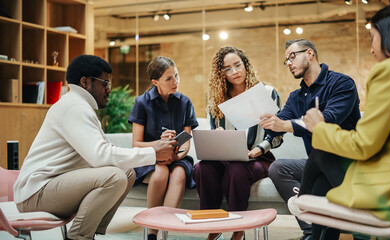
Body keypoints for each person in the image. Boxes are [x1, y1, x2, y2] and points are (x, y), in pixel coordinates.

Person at [296, 3, 390, 239]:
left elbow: (364, 145)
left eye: (372, 38)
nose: (371, 49)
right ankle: (313, 230)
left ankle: (302, 211)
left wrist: (319, 127)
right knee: (320, 167)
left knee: (320, 153)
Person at [13, 55, 176, 240]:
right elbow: (100, 156)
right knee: (114, 177)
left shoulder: (79, 105)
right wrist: (153, 153)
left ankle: (89, 232)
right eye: (105, 84)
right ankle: (79, 237)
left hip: (54, 185)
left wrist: (154, 149)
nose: (109, 90)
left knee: (127, 172)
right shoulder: (74, 107)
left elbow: (106, 150)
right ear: (85, 82)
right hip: (36, 193)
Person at [259, 39, 361, 239]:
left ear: (310, 54)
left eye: (292, 56)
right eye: (286, 60)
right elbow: (278, 123)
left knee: (322, 165)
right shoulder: (296, 96)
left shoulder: (342, 83)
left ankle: (306, 211)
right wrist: (260, 146)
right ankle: (310, 229)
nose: (288, 63)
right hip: (317, 163)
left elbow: (329, 120)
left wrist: (285, 125)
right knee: (278, 167)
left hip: (348, 162)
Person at [193, 46, 282, 240]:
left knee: (237, 169)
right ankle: (213, 225)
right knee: (202, 168)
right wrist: (218, 136)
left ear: (246, 65)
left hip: (259, 157)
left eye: (237, 65)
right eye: (227, 69)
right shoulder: (217, 99)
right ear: (221, 73)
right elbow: (214, 131)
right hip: (228, 156)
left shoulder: (266, 92)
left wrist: (257, 150)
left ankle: (238, 229)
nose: (234, 72)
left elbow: (276, 135)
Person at [128, 56, 198, 240]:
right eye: (169, 78)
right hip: (151, 158)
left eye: (176, 75)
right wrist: (159, 147)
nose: (175, 82)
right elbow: (136, 144)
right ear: (155, 82)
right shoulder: (142, 103)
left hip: (177, 158)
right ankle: (152, 231)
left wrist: (175, 157)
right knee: (161, 173)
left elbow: (186, 140)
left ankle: (164, 232)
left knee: (179, 173)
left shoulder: (185, 102)